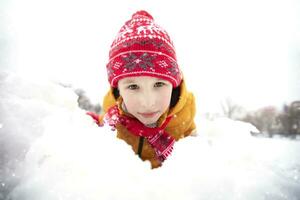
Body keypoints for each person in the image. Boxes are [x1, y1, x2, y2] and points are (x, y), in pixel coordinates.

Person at [88, 10, 196, 169]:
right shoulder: (113, 114)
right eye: (133, 86)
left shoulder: (184, 114)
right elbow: (101, 125)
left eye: (159, 84)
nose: (148, 102)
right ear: (118, 88)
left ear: (174, 82)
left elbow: (195, 159)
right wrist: (88, 123)